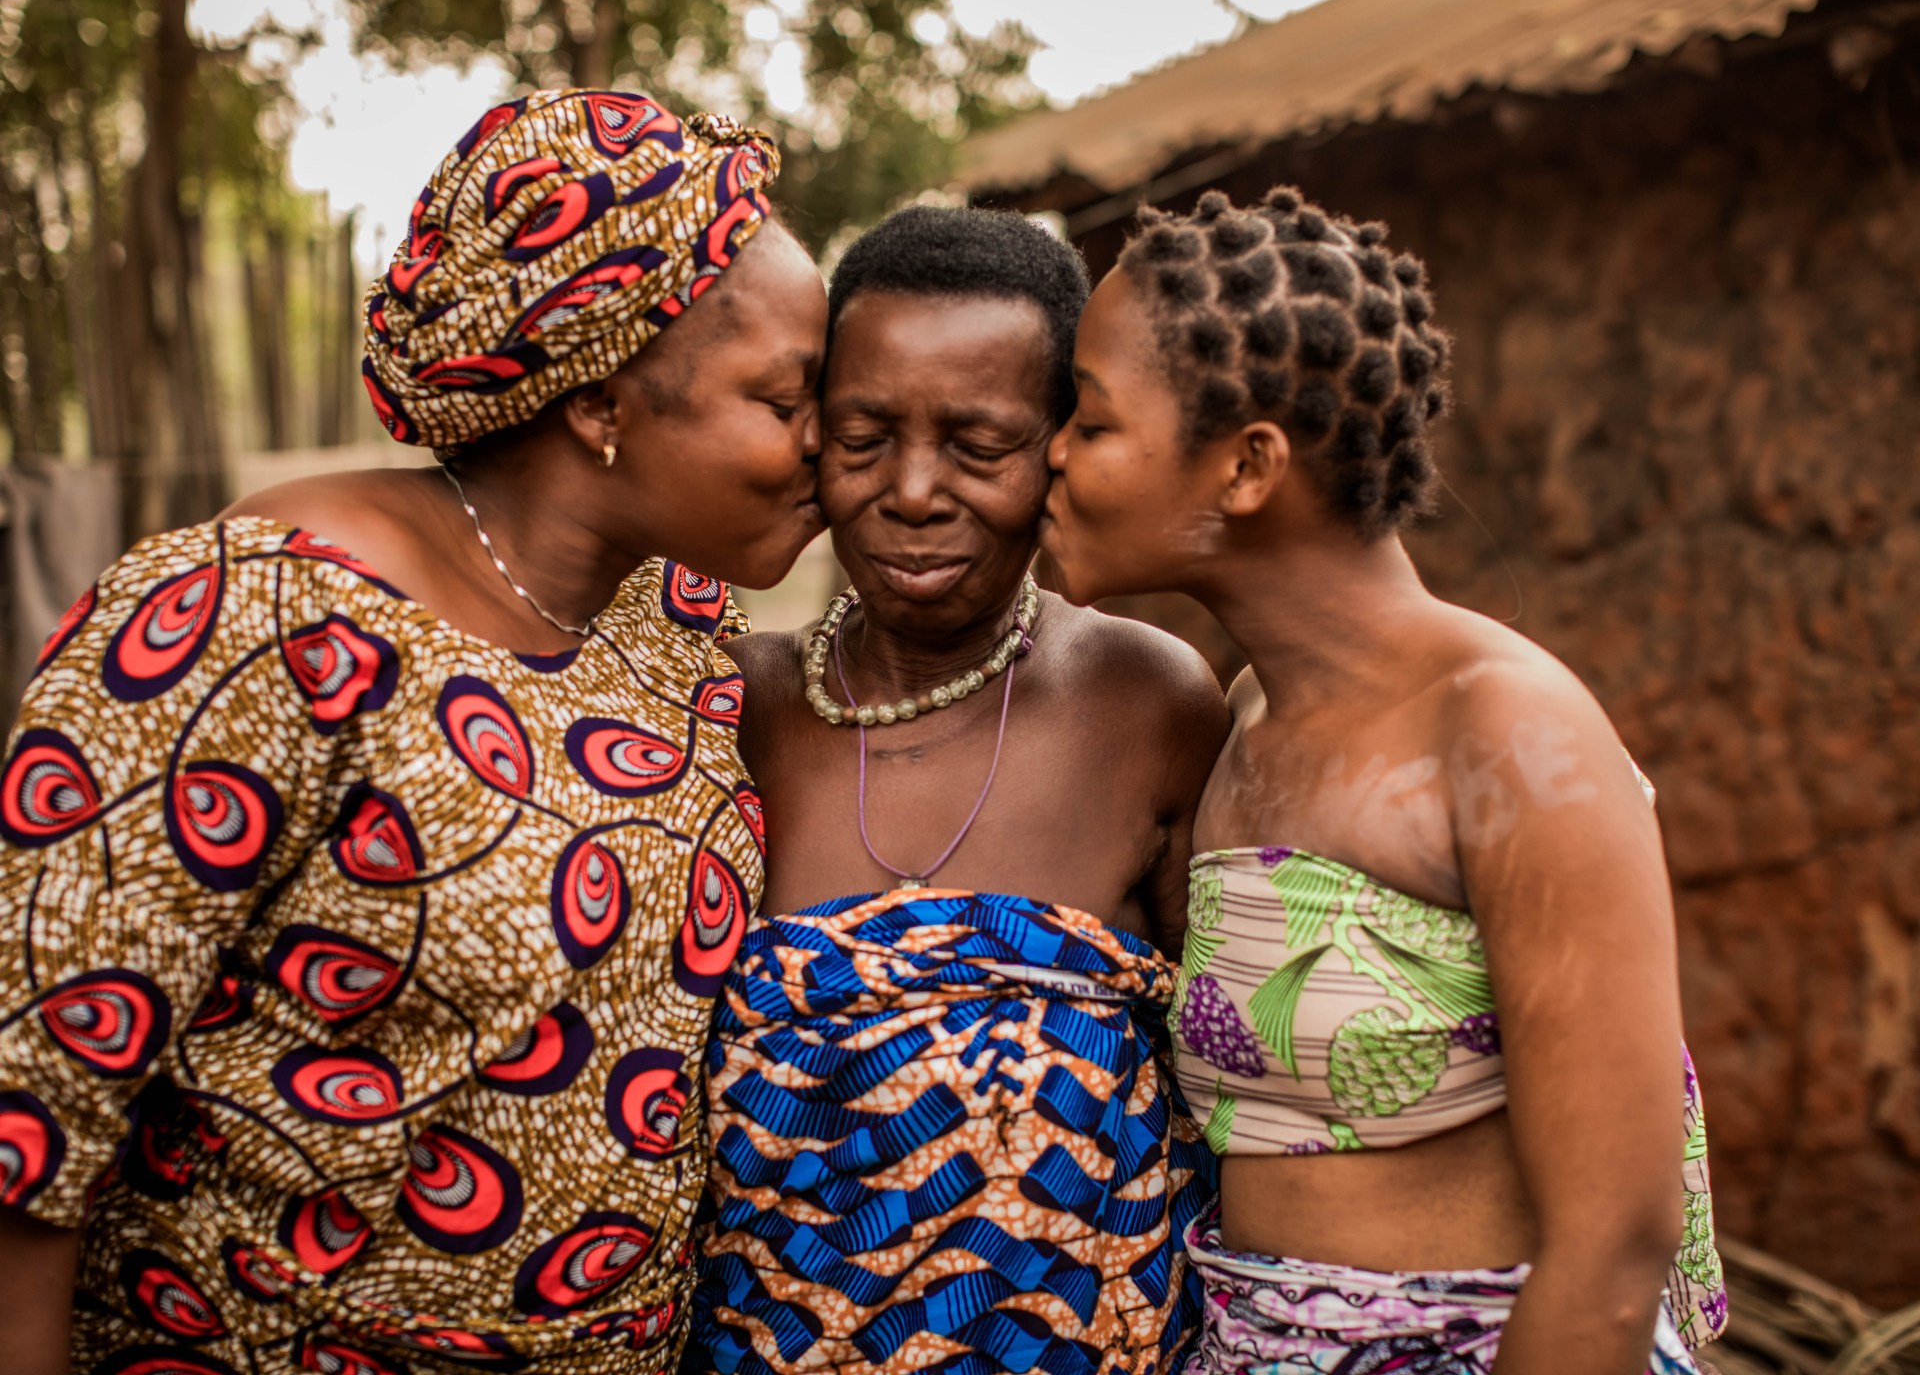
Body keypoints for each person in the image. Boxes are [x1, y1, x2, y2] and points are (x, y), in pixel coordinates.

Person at [0, 88, 827, 1375]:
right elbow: (30, 1102)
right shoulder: (254, 617)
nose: (834, 445)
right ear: (602, 403)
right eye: (787, 401)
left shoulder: (675, 619)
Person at [1039, 187, 1726, 1375]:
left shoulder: (1505, 731)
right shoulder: (1247, 716)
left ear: (1248, 465)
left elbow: (1614, 1244)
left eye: (1090, 423)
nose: (1050, 451)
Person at [685, 205, 1227, 1375]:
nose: (914, 491)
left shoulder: (1150, 704)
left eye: (979, 447)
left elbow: (1233, 1089)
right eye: (864, 435)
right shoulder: (729, 709)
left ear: (1059, 448)